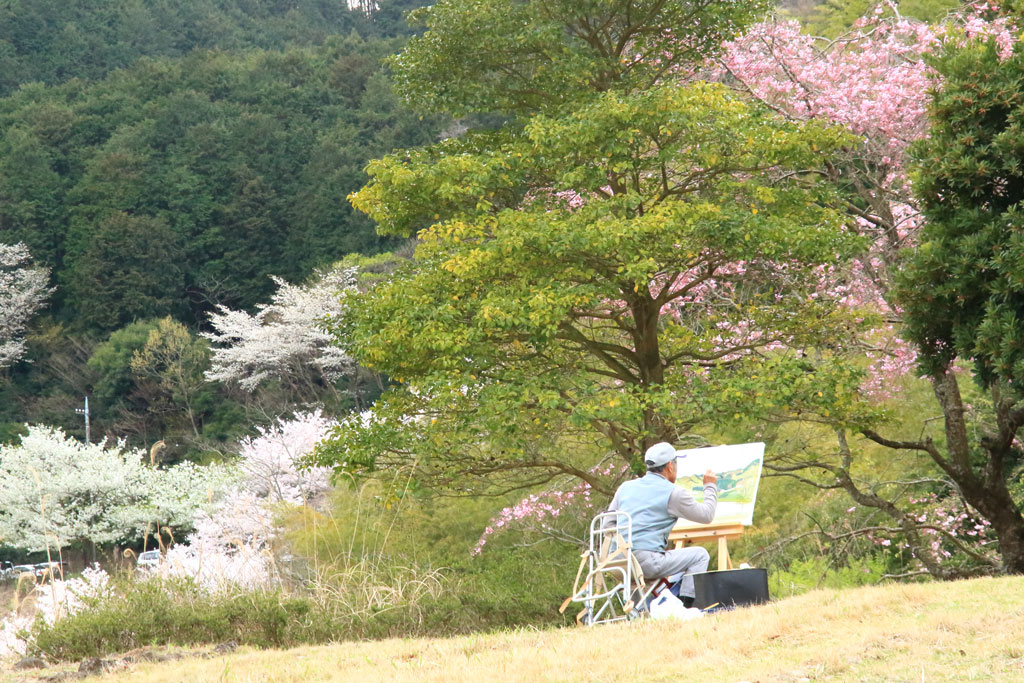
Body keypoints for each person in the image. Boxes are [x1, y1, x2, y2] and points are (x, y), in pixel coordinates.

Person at [606, 441, 718, 608]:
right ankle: (687, 606)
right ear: (670, 466)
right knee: (700, 555)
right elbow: (706, 515)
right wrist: (710, 486)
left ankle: (650, 605)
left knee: (669, 560)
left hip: (616, 561)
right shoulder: (673, 492)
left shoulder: (625, 487)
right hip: (645, 563)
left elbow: (608, 523)